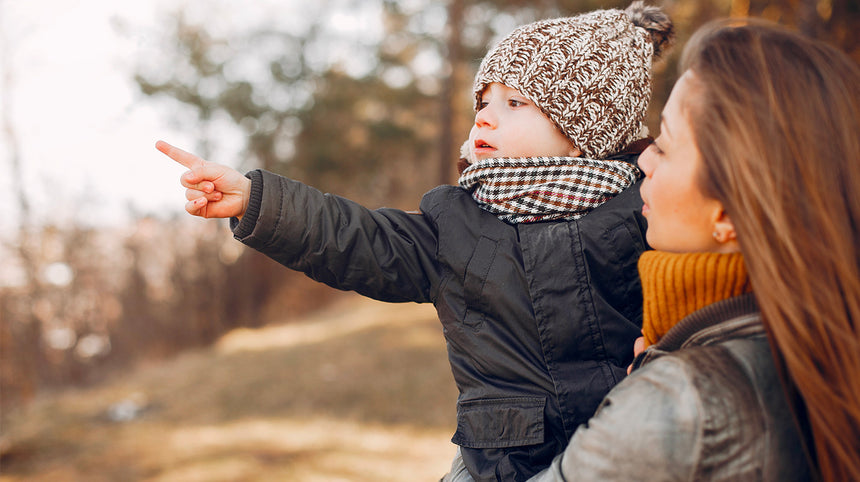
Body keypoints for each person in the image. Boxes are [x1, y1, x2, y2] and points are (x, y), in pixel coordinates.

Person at [157, 3, 674, 480]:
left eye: (516, 102)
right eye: (484, 100)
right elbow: (355, 238)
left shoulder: (646, 210)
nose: (486, 116)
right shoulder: (456, 223)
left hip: (622, 449)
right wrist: (255, 200)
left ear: (584, 128)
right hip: (500, 462)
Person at [526, 18, 860, 481]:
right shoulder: (819, 348)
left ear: (727, 213)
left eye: (664, 145)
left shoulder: (681, 404)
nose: (643, 159)